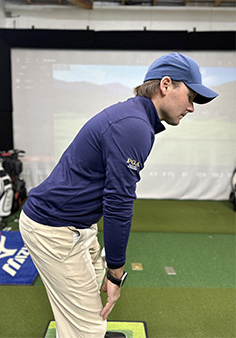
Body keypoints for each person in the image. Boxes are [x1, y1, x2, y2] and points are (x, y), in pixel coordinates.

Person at [19, 52, 218, 337]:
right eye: (190, 96)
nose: (192, 107)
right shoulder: (134, 126)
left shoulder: (136, 117)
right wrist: (116, 273)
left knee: (90, 290)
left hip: (73, 223)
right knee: (89, 325)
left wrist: (110, 271)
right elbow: (118, 203)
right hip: (53, 227)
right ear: (165, 85)